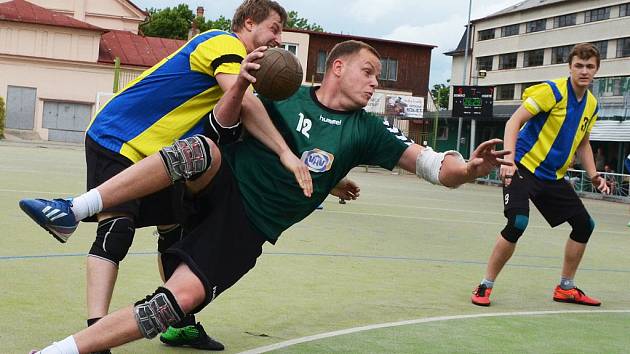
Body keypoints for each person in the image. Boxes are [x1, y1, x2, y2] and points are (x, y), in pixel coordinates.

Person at [23, 40, 510, 353]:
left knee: (175, 303)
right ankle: (74, 208)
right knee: (200, 149)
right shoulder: (284, 90)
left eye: (377, 75)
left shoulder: (367, 130)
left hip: (246, 228)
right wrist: (243, 83)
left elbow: (432, 166)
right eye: (368, 71)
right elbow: (228, 121)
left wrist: (468, 168)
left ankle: (57, 352)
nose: (374, 82)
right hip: (217, 183)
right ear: (336, 67)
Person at [19, 1, 316, 352]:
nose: (279, 38)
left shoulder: (242, 74)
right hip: (119, 137)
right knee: (117, 229)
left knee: (175, 230)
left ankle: (182, 326)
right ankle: (95, 334)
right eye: (275, 28)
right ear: (249, 23)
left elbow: (241, 119)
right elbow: (246, 104)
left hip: (161, 158)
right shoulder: (222, 43)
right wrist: (286, 154)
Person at [470, 43, 610, 308]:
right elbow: (514, 121)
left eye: (589, 66)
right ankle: (485, 285)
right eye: (578, 65)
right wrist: (508, 161)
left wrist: (593, 176)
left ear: (596, 70)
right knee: (518, 222)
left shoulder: (591, 104)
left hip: (552, 177)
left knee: (584, 225)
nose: (583, 71)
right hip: (522, 167)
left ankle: (566, 288)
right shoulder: (553, 91)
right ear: (569, 67)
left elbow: (583, 143)